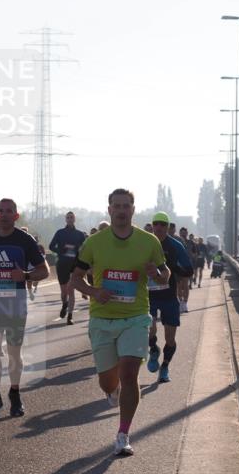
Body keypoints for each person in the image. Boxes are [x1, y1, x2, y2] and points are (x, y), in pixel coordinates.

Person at [69, 189, 169, 456]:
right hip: (102, 319)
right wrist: (94, 292)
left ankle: (123, 434)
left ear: (133, 210)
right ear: (110, 209)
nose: (122, 210)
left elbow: (165, 274)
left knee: (129, 374)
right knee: (107, 382)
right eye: (117, 206)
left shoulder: (149, 241)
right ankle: (113, 392)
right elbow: (75, 278)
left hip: (135, 318)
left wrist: (157, 273)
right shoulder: (94, 243)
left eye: (126, 206)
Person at [0, 198, 49, 418]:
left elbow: (44, 270)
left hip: (16, 304)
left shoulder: (25, 240)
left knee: (14, 351)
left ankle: (15, 394)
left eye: (9, 211)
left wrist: (25, 275)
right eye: (1, 211)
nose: (4, 214)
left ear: (16, 216)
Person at [146, 213, 194, 384]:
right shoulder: (145, 243)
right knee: (149, 331)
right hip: (149, 295)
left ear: (168, 227)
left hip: (169, 295)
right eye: (156, 224)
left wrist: (171, 268)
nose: (159, 227)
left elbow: (189, 270)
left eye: (162, 224)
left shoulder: (175, 245)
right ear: (152, 225)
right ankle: (153, 349)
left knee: (170, 338)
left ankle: (165, 366)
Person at [49, 211, 88, 325]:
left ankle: (70, 316)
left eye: (72, 217)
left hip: (74, 264)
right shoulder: (60, 233)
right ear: (66, 220)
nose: (70, 219)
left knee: (71, 290)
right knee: (64, 292)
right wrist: (61, 251)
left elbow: (85, 249)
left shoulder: (79, 234)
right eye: (68, 217)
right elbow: (51, 246)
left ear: (74, 219)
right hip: (62, 264)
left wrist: (79, 255)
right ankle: (64, 304)